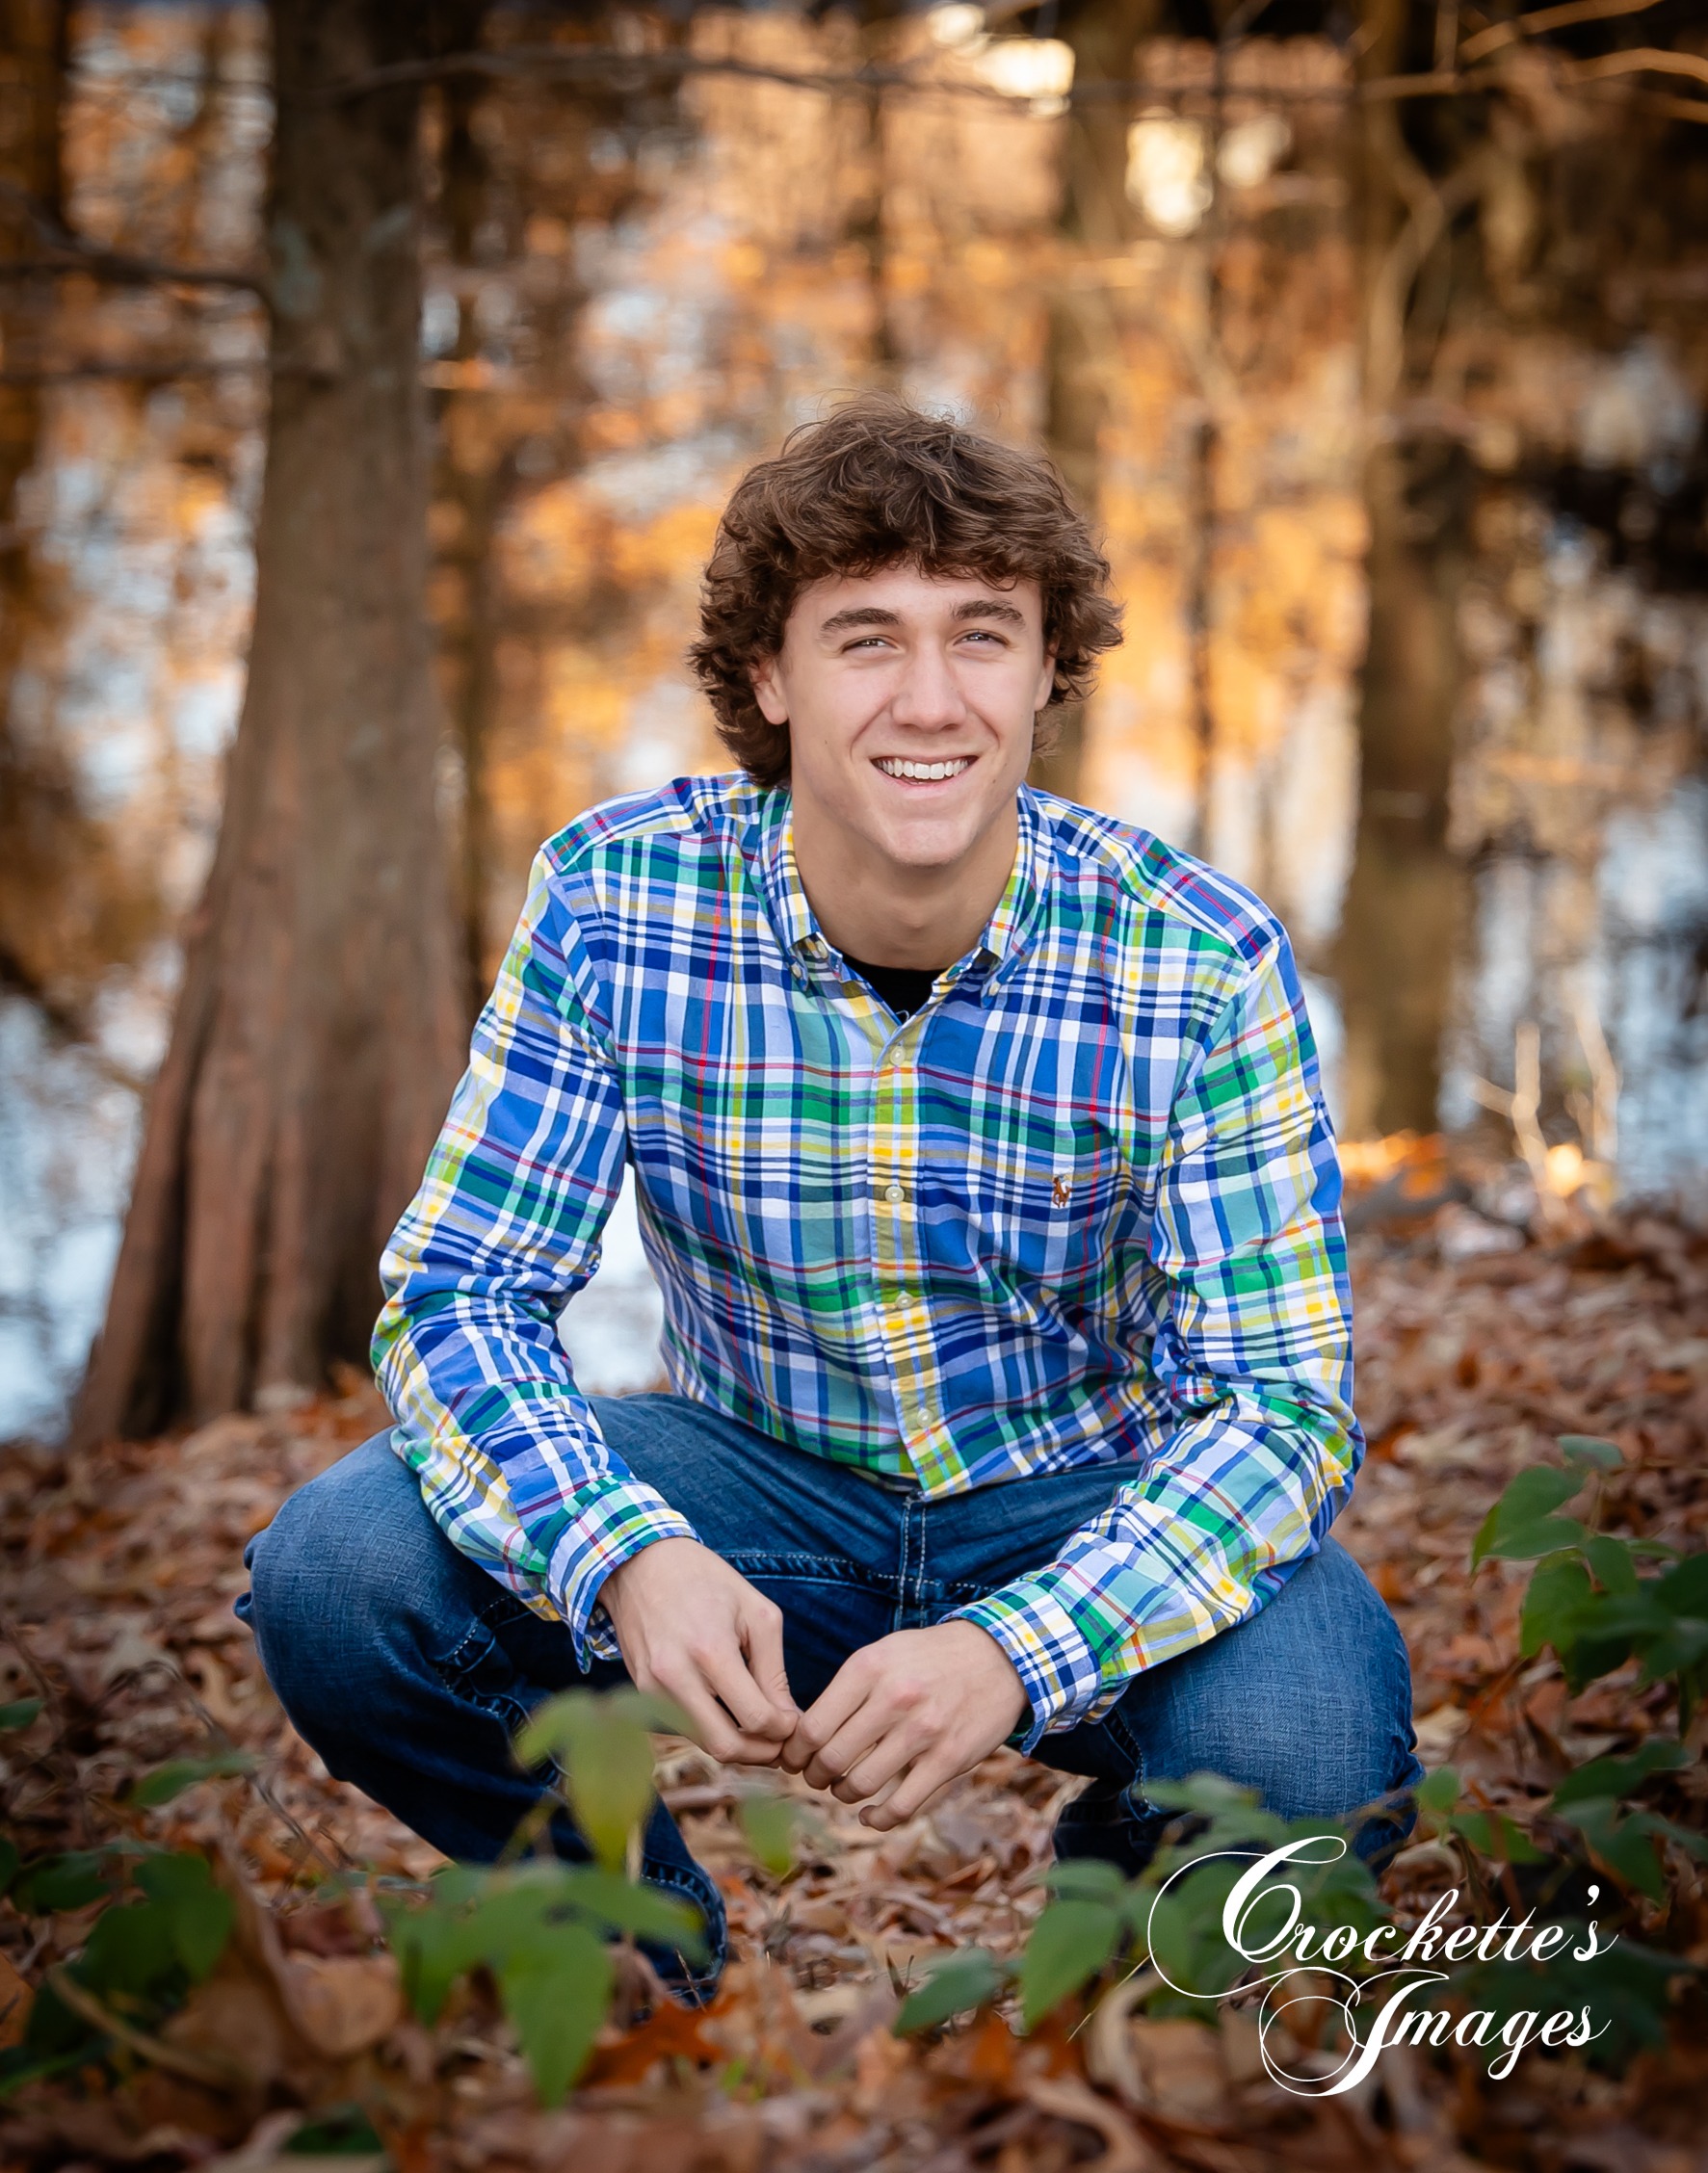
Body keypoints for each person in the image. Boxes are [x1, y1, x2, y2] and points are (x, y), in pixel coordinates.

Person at [241, 395, 1422, 1998]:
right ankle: (641, 1968)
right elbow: (463, 1292)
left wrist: (1018, 1652)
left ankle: (1084, 2012)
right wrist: (619, 1551)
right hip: (757, 1488)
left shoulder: (1195, 961)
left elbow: (1280, 1409)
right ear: (767, 679)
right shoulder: (619, 899)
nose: (931, 701)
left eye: (982, 637)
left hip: (1081, 1493)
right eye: (866, 638)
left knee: (1308, 1749)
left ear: (1047, 674)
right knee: (342, 1573)